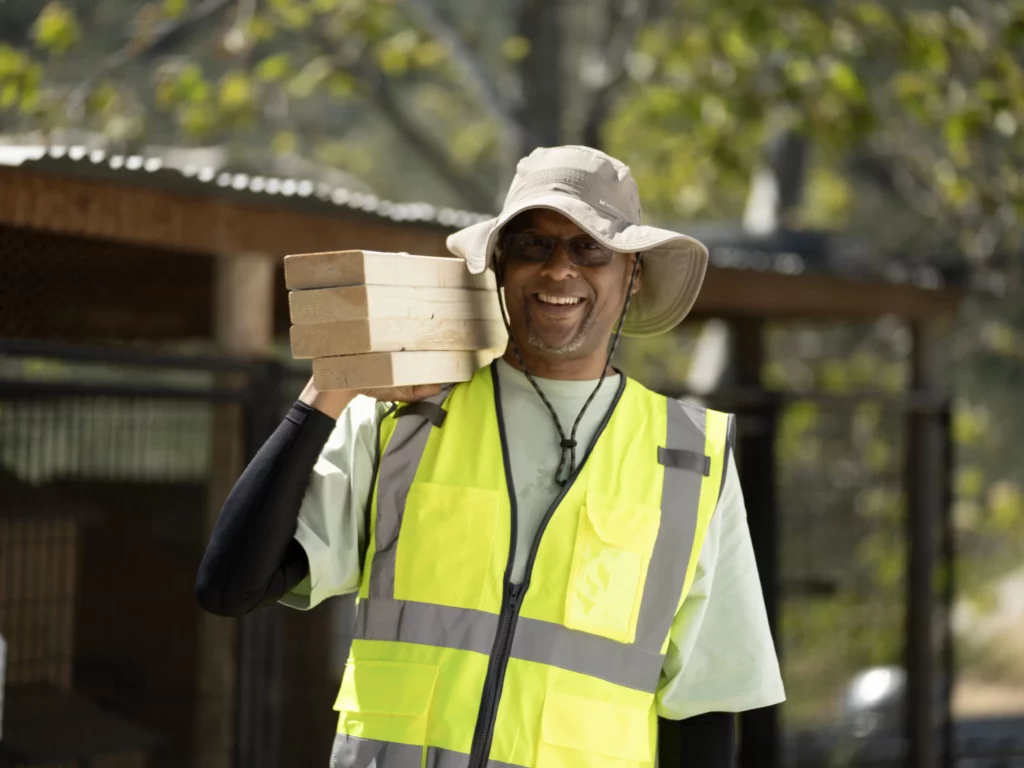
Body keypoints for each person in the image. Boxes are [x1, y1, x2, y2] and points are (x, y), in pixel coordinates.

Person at [196, 145, 785, 768]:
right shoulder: (405, 419)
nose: (560, 270)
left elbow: (706, 707)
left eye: (590, 249)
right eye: (534, 244)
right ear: (499, 263)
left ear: (631, 274)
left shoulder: (690, 460)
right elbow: (230, 585)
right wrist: (331, 386)